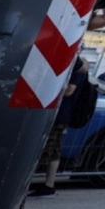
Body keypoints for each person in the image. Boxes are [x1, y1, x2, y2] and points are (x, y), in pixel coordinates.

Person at [26, 57, 89, 198]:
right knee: (53, 151)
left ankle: (24, 186)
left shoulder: (76, 68)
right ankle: (49, 185)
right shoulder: (74, 66)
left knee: (44, 150)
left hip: (57, 114)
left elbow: (69, 91)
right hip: (57, 113)